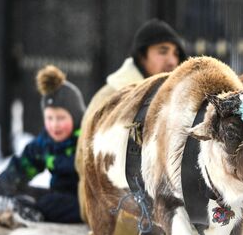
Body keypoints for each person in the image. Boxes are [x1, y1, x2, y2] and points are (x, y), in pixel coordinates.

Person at [76, 19, 186, 223]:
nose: (172, 60)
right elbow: (86, 161)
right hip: (108, 200)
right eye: (163, 51)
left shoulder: (169, 100)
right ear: (141, 56)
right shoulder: (112, 96)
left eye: (176, 53)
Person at [0, 65, 86, 224]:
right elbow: (19, 169)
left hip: (83, 204)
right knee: (17, 190)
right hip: (57, 196)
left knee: (51, 203)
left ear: (75, 117)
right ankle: (12, 206)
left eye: (61, 118)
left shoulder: (87, 142)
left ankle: (29, 211)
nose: (54, 125)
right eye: (49, 118)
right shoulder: (46, 143)